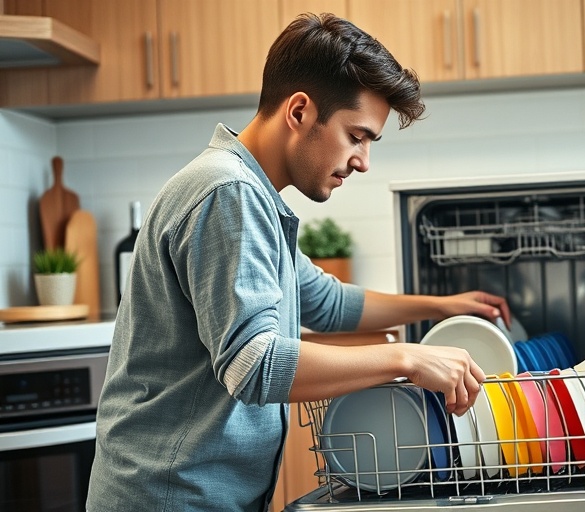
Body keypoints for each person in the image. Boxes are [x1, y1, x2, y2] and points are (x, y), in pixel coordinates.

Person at [86, 13, 509, 512]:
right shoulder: (230, 194)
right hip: (171, 498)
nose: (363, 161)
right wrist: (408, 359)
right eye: (357, 136)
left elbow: (325, 301)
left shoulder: (250, 194)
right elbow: (254, 365)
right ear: (301, 111)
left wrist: (441, 306)